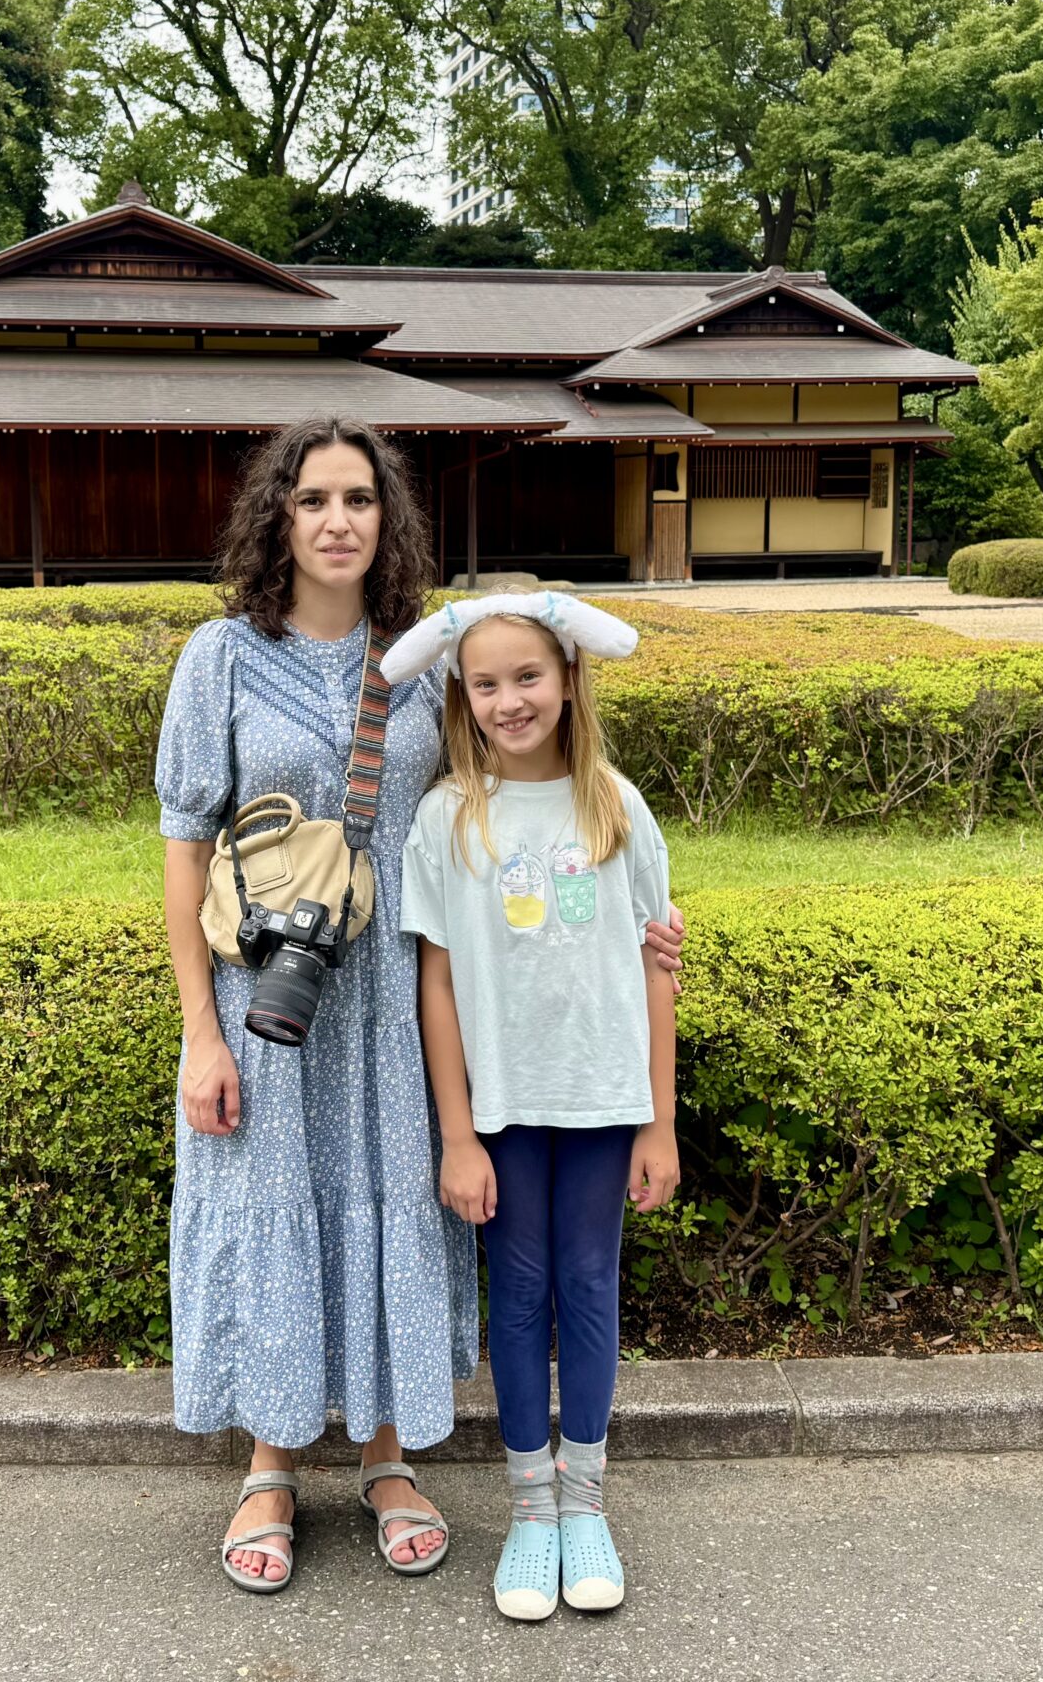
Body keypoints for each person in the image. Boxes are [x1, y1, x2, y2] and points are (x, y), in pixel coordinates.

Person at [156, 420, 684, 1596]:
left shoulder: (431, 662)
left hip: (403, 991)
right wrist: (202, 1032)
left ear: (387, 519)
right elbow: (185, 849)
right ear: (277, 520)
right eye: (312, 500)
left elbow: (522, 789)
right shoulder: (220, 659)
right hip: (273, 996)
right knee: (276, 1202)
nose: (337, 520)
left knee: (400, 1199)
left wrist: (626, 917)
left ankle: (389, 1455)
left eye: (359, 498)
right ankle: (271, 1461)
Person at [387, 592, 681, 1621]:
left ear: (566, 681)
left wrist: (660, 1119)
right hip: (501, 1112)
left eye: (528, 677)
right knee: (516, 1296)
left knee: (587, 1285)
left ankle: (585, 1503)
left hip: (604, 1097)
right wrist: (457, 1133)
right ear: (459, 699)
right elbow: (435, 981)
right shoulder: (445, 819)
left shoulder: (613, 803)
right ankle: (528, 1512)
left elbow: (656, 966)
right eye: (486, 683)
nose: (509, 700)